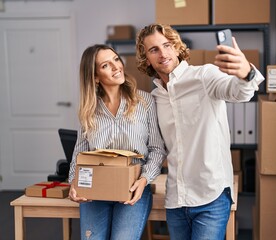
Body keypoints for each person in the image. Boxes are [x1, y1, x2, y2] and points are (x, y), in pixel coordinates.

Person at [135, 23, 264, 240]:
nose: (163, 53)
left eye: (167, 45)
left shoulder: (205, 76)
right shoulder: (155, 98)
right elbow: (157, 146)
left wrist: (246, 73)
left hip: (210, 196)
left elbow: (239, 92)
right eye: (154, 49)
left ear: (176, 47)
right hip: (176, 199)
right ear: (146, 58)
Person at [68, 44, 166, 240]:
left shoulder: (144, 102)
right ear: (95, 77)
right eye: (105, 65)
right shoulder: (89, 110)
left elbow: (156, 150)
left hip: (132, 189)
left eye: (116, 59)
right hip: (95, 190)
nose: (116, 67)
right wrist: (73, 182)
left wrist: (144, 180)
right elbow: (79, 155)